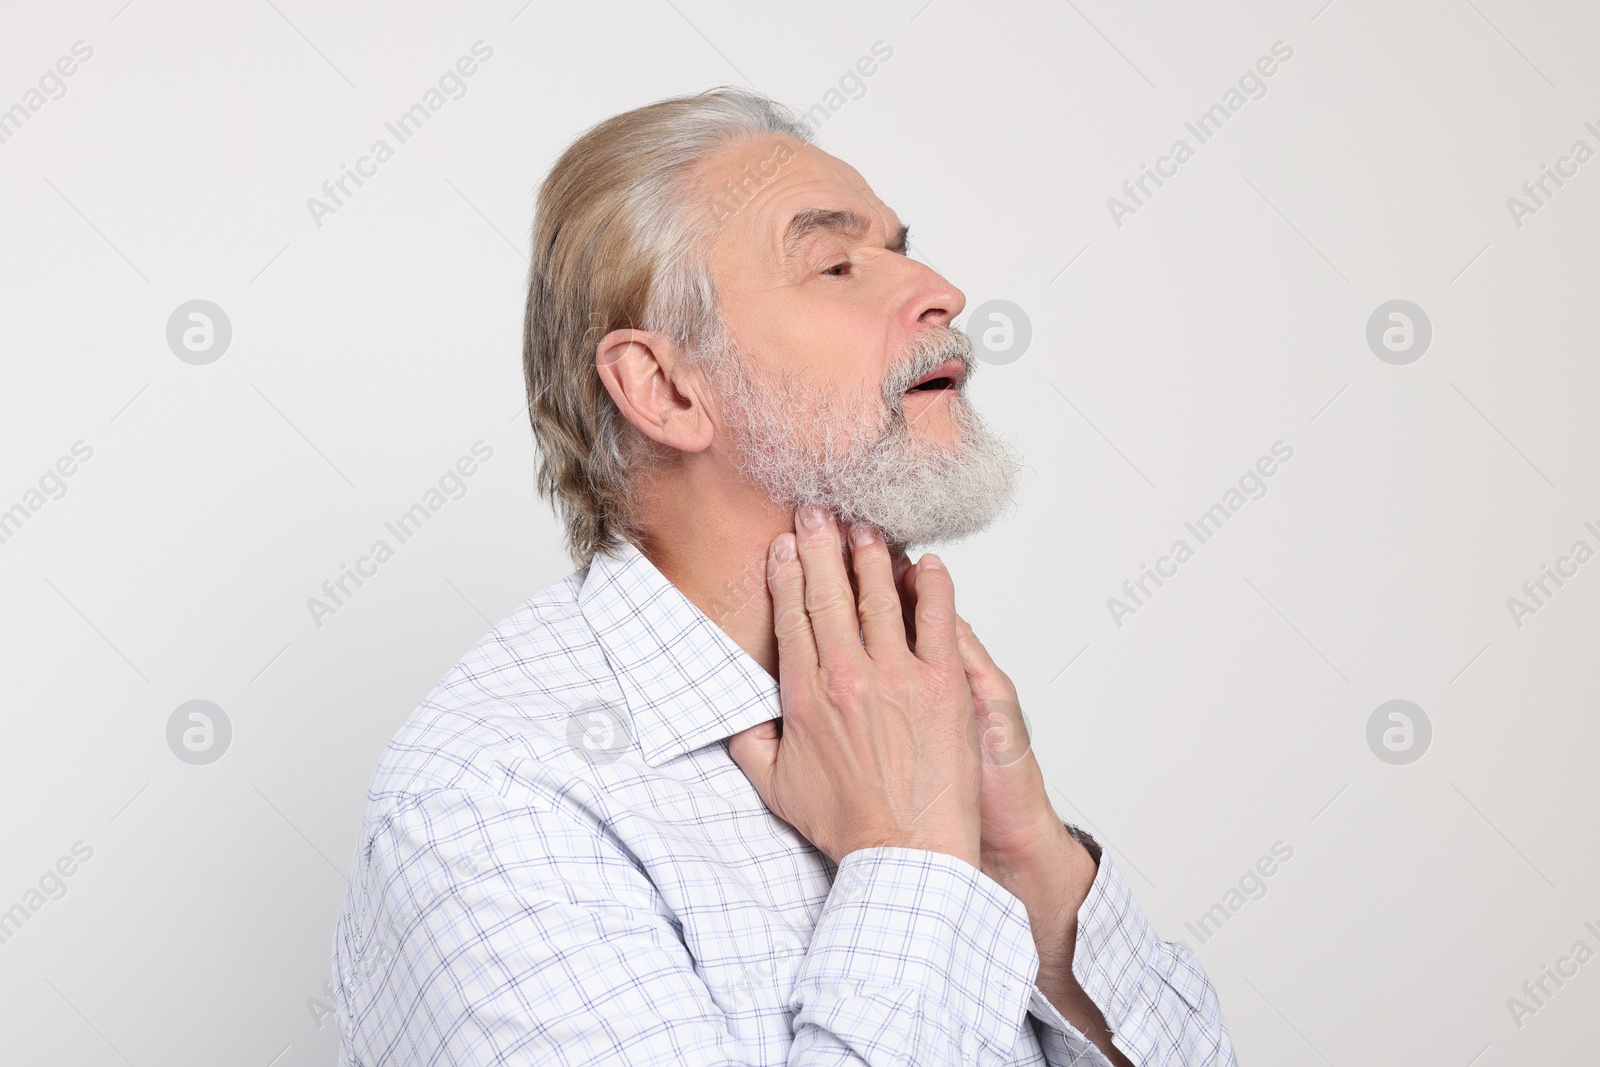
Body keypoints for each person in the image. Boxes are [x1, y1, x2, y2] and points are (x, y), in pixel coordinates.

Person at [332, 86, 1237, 1066]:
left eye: (900, 246)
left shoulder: (916, 712)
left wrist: (1036, 875)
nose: (939, 287)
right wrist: (915, 857)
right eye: (836, 262)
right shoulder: (493, 803)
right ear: (668, 387)